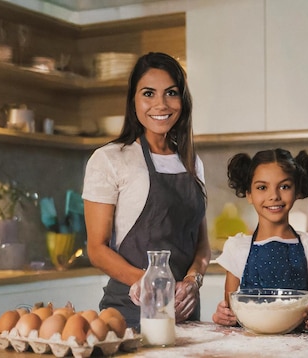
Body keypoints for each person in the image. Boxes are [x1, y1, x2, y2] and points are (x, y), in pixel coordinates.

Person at [82, 52, 210, 329]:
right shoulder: (110, 159)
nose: (160, 104)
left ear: (182, 100)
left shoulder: (191, 162)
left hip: (185, 319)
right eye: (148, 93)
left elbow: (202, 246)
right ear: (133, 101)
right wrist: (146, 282)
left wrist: (192, 281)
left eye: (171, 93)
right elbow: (96, 248)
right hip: (128, 316)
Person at [212, 149, 308, 330]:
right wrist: (223, 315)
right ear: (249, 194)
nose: (274, 196)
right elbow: (231, 308)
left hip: (299, 346)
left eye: (284, 186)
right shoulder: (237, 248)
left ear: (297, 190)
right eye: (262, 187)